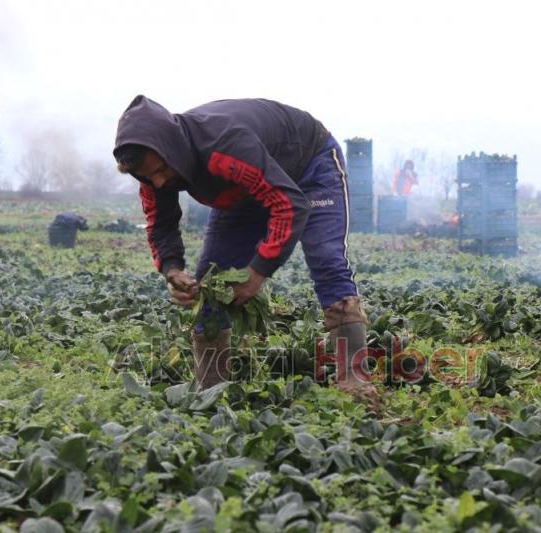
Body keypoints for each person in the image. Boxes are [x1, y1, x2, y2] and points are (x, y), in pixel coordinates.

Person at [113, 95, 377, 404]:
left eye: (160, 170)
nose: (158, 182)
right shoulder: (152, 171)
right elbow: (161, 223)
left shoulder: (223, 145)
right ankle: (211, 391)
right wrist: (171, 269)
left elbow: (288, 203)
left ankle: (355, 383)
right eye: (148, 176)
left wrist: (257, 273)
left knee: (326, 260)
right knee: (211, 283)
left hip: (309, 167)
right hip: (245, 189)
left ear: (171, 148)